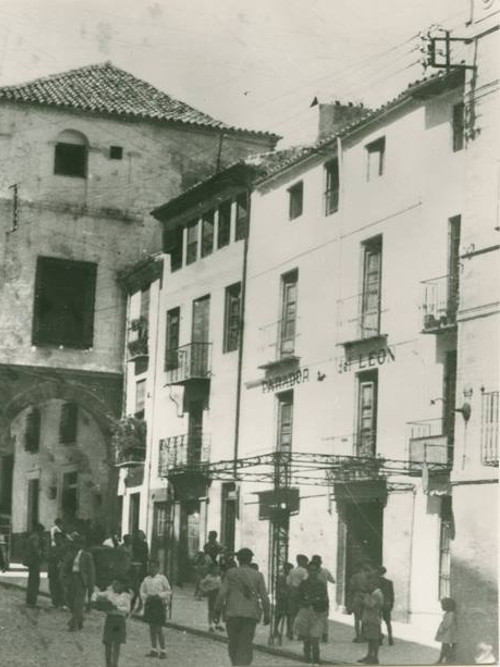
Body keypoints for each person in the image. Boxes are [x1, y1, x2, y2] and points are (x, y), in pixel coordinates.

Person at [214, 547, 270, 666]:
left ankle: (236, 664)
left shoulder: (231, 573)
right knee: (246, 644)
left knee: (233, 643)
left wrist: (216, 611)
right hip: (250, 615)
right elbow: (265, 597)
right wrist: (267, 613)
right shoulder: (258, 575)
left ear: (238, 559)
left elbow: (222, 594)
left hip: (232, 614)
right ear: (250, 560)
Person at [294, 561, 329, 665]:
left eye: (315, 570)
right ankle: (307, 657)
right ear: (308, 571)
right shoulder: (304, 583)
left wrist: (323, 607)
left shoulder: (321, 584)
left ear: (318, 571)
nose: (312, 572)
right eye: (311, 570)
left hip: (317, 612)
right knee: (306, 637)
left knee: (315, 636)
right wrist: (304, 603)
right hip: (305, 611)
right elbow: (298, 598)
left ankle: (316, 658)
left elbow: (324, 598)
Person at [92, 576, 131, 667]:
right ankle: (108, 663)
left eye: (116, 584)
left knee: (117, 643)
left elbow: (127, 609)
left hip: (119, 620)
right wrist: (95, 601)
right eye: (113, 584)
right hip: (110, 619)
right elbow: (95, 594)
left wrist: (116, 607)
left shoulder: (126, 596)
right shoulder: (109, 593)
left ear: (122, 585)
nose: (114, 586)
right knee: (108, 642)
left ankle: (115, 664)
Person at [140, 560, 171, 659]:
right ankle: (153, 648)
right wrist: (146, 597)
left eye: (154, 567)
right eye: (150, 567)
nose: (152, 569)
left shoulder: (162, 578)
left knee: (158, 628)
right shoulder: (146, 579)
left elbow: (168, 590)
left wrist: (160, 596)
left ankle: (163, 649)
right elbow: (142, 591)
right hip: (150, 604)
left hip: (158, 604)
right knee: (151, 627)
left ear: (158, 568)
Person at [65, 533, 96, 631]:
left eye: (79, 544)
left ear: (82, 545)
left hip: (81, 579)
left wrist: (91, 584)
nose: (77, 546)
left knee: (78, 602)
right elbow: (66, 566)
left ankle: (73, 624)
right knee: (70, 600)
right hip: (71, 578)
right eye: (76, 544)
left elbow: (91, 571)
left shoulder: (87, 556)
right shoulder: (71, 554)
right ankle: (80, 619)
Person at [357, 573, 384, 665]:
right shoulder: (374, 593)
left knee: (374, 639)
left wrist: (364, 598)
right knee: (370, 639)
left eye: (369, 584)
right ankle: (369, 656)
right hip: (370, 619)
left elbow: (370, 605)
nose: (367, 587)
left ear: (374, 584)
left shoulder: (376, 594)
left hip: (373, 619)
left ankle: (374, 657)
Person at [311, 555, 334, 642]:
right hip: (324, 596)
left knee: (313, 615)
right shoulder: (325, 571)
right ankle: (325, 635)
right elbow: (333, 580)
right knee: (324, 616)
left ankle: (314, 635)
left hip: (313, 596)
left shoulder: (310, 572)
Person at [347, 562, 372, 642]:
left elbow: (351, 589)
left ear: (359, 568)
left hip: (357, 596)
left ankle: (358, 636)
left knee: (357, 618)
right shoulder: (368, 576)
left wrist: (349, 602)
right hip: (366, 596)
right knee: (365, 617)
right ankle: (364, 636)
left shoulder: (355, 577)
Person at [286, 554, 309, 639]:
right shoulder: (304, 571)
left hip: (292, 593)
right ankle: (300, 634)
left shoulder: (292, 571)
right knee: (302, 614)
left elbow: (288, 582)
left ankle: (290, 632)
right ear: (302, 561)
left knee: (292, 614)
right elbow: (306, 582)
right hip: (301, 593)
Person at [24, 523, 46, 607]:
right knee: (35, 581)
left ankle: (29, 600)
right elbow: (36, 549)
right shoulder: (36, 537)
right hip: (34, 561)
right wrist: (42, 555)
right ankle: (32, 600)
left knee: (31, 580)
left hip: (31, 561)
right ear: (39, 530)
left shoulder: (31, 537)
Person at [199, 562, 224, 632]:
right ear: (212, 569)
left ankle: (218, 624)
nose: (217, 570)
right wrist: (205, 590)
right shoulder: (209, 577)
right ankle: (210, 625)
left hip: (219, 594)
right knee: (211, 609)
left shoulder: (219, 577)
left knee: (219, 609)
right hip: (212, 594)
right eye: (215, 568)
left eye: (218, 568)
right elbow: (201, 584)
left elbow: (221, 586)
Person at [435, 598, 458, 664]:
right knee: (445, 646)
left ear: (447, 606)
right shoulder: (447, 613)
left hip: (448, 633)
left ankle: (442, 659)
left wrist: (442, 628)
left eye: (443, 605)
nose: (441, 607)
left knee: (446, 646)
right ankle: (443, 658)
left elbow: (447, 624)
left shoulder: (451, 614)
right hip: (447, 633)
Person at [48, 532, 67, 608]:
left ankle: (63, 603)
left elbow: (66, 558)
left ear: (62, 539)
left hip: (61, 569)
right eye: (56, 538)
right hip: (53, 568)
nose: (57, 540)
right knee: (53, 586)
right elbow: (48, 556)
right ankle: (54, 602)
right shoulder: (52, 548)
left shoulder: (65, 548)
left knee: (62, 586)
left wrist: (62, 562)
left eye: (59, 538)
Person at [131, 529, 149, 612]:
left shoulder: (143, 545)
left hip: (141, 568)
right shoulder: (134, 544)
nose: (139, 536)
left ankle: (139, 604)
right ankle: (136, 605)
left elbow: (145, 556)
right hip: (135, 567)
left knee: (138, 587)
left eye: (140, 535)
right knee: (135, 587)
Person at [275, 562, 294, 640]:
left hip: (288, 598)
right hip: (282, 598)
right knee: (279, 615)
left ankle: (289, 631)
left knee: (289, 615)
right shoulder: (281, 577)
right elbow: (279, 588)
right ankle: (275, 629)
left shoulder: (290, 577)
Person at [377, 566, 394, 646]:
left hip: (378, 604)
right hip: (387, 604)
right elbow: (392, 595)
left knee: (378, 621)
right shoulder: (389, 582)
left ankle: (379, 639)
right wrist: (391, 604)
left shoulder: (375, 582)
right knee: (388, 622)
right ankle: (390, 638)